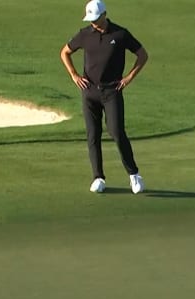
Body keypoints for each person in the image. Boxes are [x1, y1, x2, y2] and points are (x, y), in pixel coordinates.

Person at [60, 0, 149, 194]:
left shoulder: (120, 34)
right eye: (90, 19)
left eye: (95, 18)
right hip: (89, 91)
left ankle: (134, 175)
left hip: (111, 91)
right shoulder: (84, 34)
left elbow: (142, 55)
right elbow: (65, 52)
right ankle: (98, 177)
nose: (93, 22)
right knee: (93, 135)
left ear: (104, 15)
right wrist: (74, 75)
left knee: (116, 131)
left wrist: (129, 78)